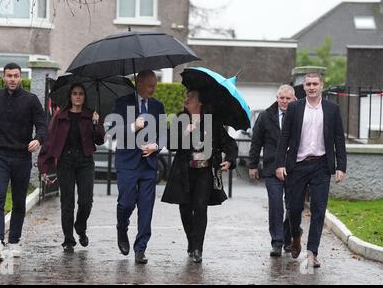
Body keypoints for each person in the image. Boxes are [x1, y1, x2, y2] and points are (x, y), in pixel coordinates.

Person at [275, 72, 346, 268]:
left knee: (318, 210)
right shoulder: (295, 108)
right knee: (294, 208)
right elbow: (284, 137)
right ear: (304, 87)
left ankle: (312, 252)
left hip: (321, 166)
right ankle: (296, 234)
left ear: (321, 85)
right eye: (308, 84)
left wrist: (341, 166)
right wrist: (280, 164)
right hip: (297, 165)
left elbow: (339, 139)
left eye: (315, 84)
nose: (312, 87)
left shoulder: (332, 109)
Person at [161, 89, 238, 263]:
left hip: (205, 171)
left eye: (191, 97)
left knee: (201, 207)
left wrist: (230, 160)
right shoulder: (179, 119)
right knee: (185, 208)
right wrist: (185, 132)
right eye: (186, 96)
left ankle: (197, 248)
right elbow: (171, 145)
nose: (186, 99)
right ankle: (191, 241)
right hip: (184, 172)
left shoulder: (212, 121)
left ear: (200, 102)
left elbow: (229, 143)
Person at [0, 62, 47, 260]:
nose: (12, 79)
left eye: (16, 76)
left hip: (21, 157)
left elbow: (43, 124)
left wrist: (38, 139)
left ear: (21, 77)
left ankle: (14, 241)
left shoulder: (31, 100)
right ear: (3, 76)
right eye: (9, 75)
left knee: (19, 201)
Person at [38, 83, 105, 252]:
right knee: (67, 202)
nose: (77, 97)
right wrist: (44, 166)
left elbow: (99, 140)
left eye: (81, 94)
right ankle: (68, 239)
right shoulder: (60, 116)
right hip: (65, 162)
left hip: (85, 161)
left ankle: (80, 227)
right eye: (74, 93)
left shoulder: (91, 116)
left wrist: (97, 123)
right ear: (70, 96)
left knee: (86, 201)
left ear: (84, 97)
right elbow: (50, 140)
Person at [110, 70, 165, 264]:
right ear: (138, 83)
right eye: (150, 85)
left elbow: (163, 133)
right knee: (126, 203)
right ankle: (121, 227)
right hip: (127, 163)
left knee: (146, 208)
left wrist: (156, 146)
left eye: (155, 85)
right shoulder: (122, 103)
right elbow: (113, 131)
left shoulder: (158, 106)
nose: (153, 88)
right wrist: (134, 126)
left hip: (149, 165)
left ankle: (140, 248)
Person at [248, 84, 297, 257]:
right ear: (277, 98)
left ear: (293, 99)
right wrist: (253, 165)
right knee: (276, 206)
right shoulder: (265, 116)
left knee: (293, 206)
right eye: (281, 98)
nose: (284, 101)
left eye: (288, 98)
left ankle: (288, 237)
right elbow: (256, 141)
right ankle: (277, 242)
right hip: (271, 168)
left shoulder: (299, 114)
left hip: (294, 169)